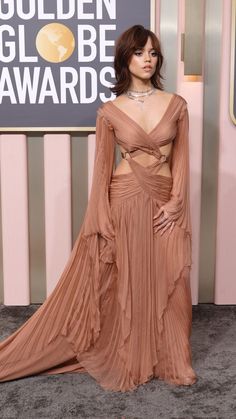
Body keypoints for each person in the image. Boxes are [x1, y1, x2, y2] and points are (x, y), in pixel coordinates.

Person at [0, 25, 197, 392]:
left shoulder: (176, 105)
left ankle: (172, 358)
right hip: (123, 197)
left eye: (153, 53)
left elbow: (182, 159)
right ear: (125, 58)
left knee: (171, 276)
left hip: (163, 199)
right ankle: (131, 355)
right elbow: (102, 170)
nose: (148, 60)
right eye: (139, 53)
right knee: (128, 277)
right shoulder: (110, 111)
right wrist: (102, 216)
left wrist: (176, 202)